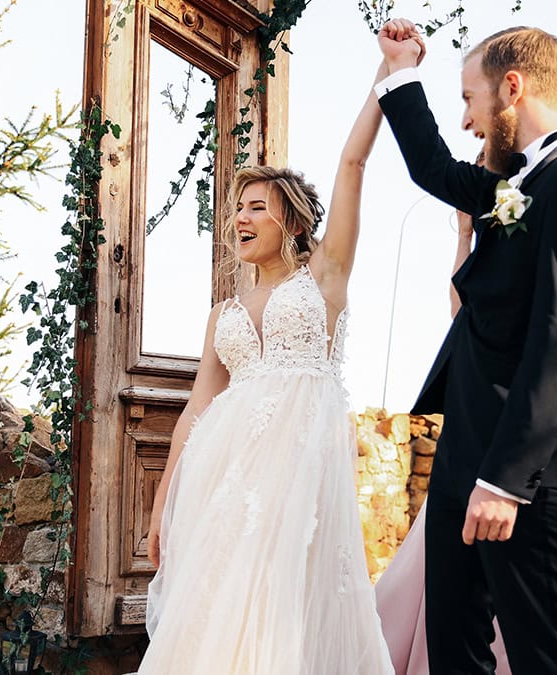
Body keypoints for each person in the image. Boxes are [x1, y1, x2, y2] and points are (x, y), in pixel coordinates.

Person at [137, 50, 420, 674]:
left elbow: (352, 165)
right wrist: (162, 508)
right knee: (220, 607)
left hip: (300, 472)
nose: (241, 218)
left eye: (257, 206)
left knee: (285, 601)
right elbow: (197, 409)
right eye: (238, 209)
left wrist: (386, 79)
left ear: (291, 219)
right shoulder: (224, 313)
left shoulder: (325, 278)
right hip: (225, 478)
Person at [373, 20, 557, 674]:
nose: (466, 120)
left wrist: (506, 480)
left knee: (540, 651)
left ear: (511, 87)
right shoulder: (515, 186)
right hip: (462, 458)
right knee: (455, 647)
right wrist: (401, 68)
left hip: (525, 473)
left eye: (469, 98)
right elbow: (433, 167)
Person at [374, 211, 557, 675]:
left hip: (544, 422)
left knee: (539, 580)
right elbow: (460, 312)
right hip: (478, 415)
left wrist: (527, 432)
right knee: (451, 576)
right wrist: (466, 234)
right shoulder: (489, 255)